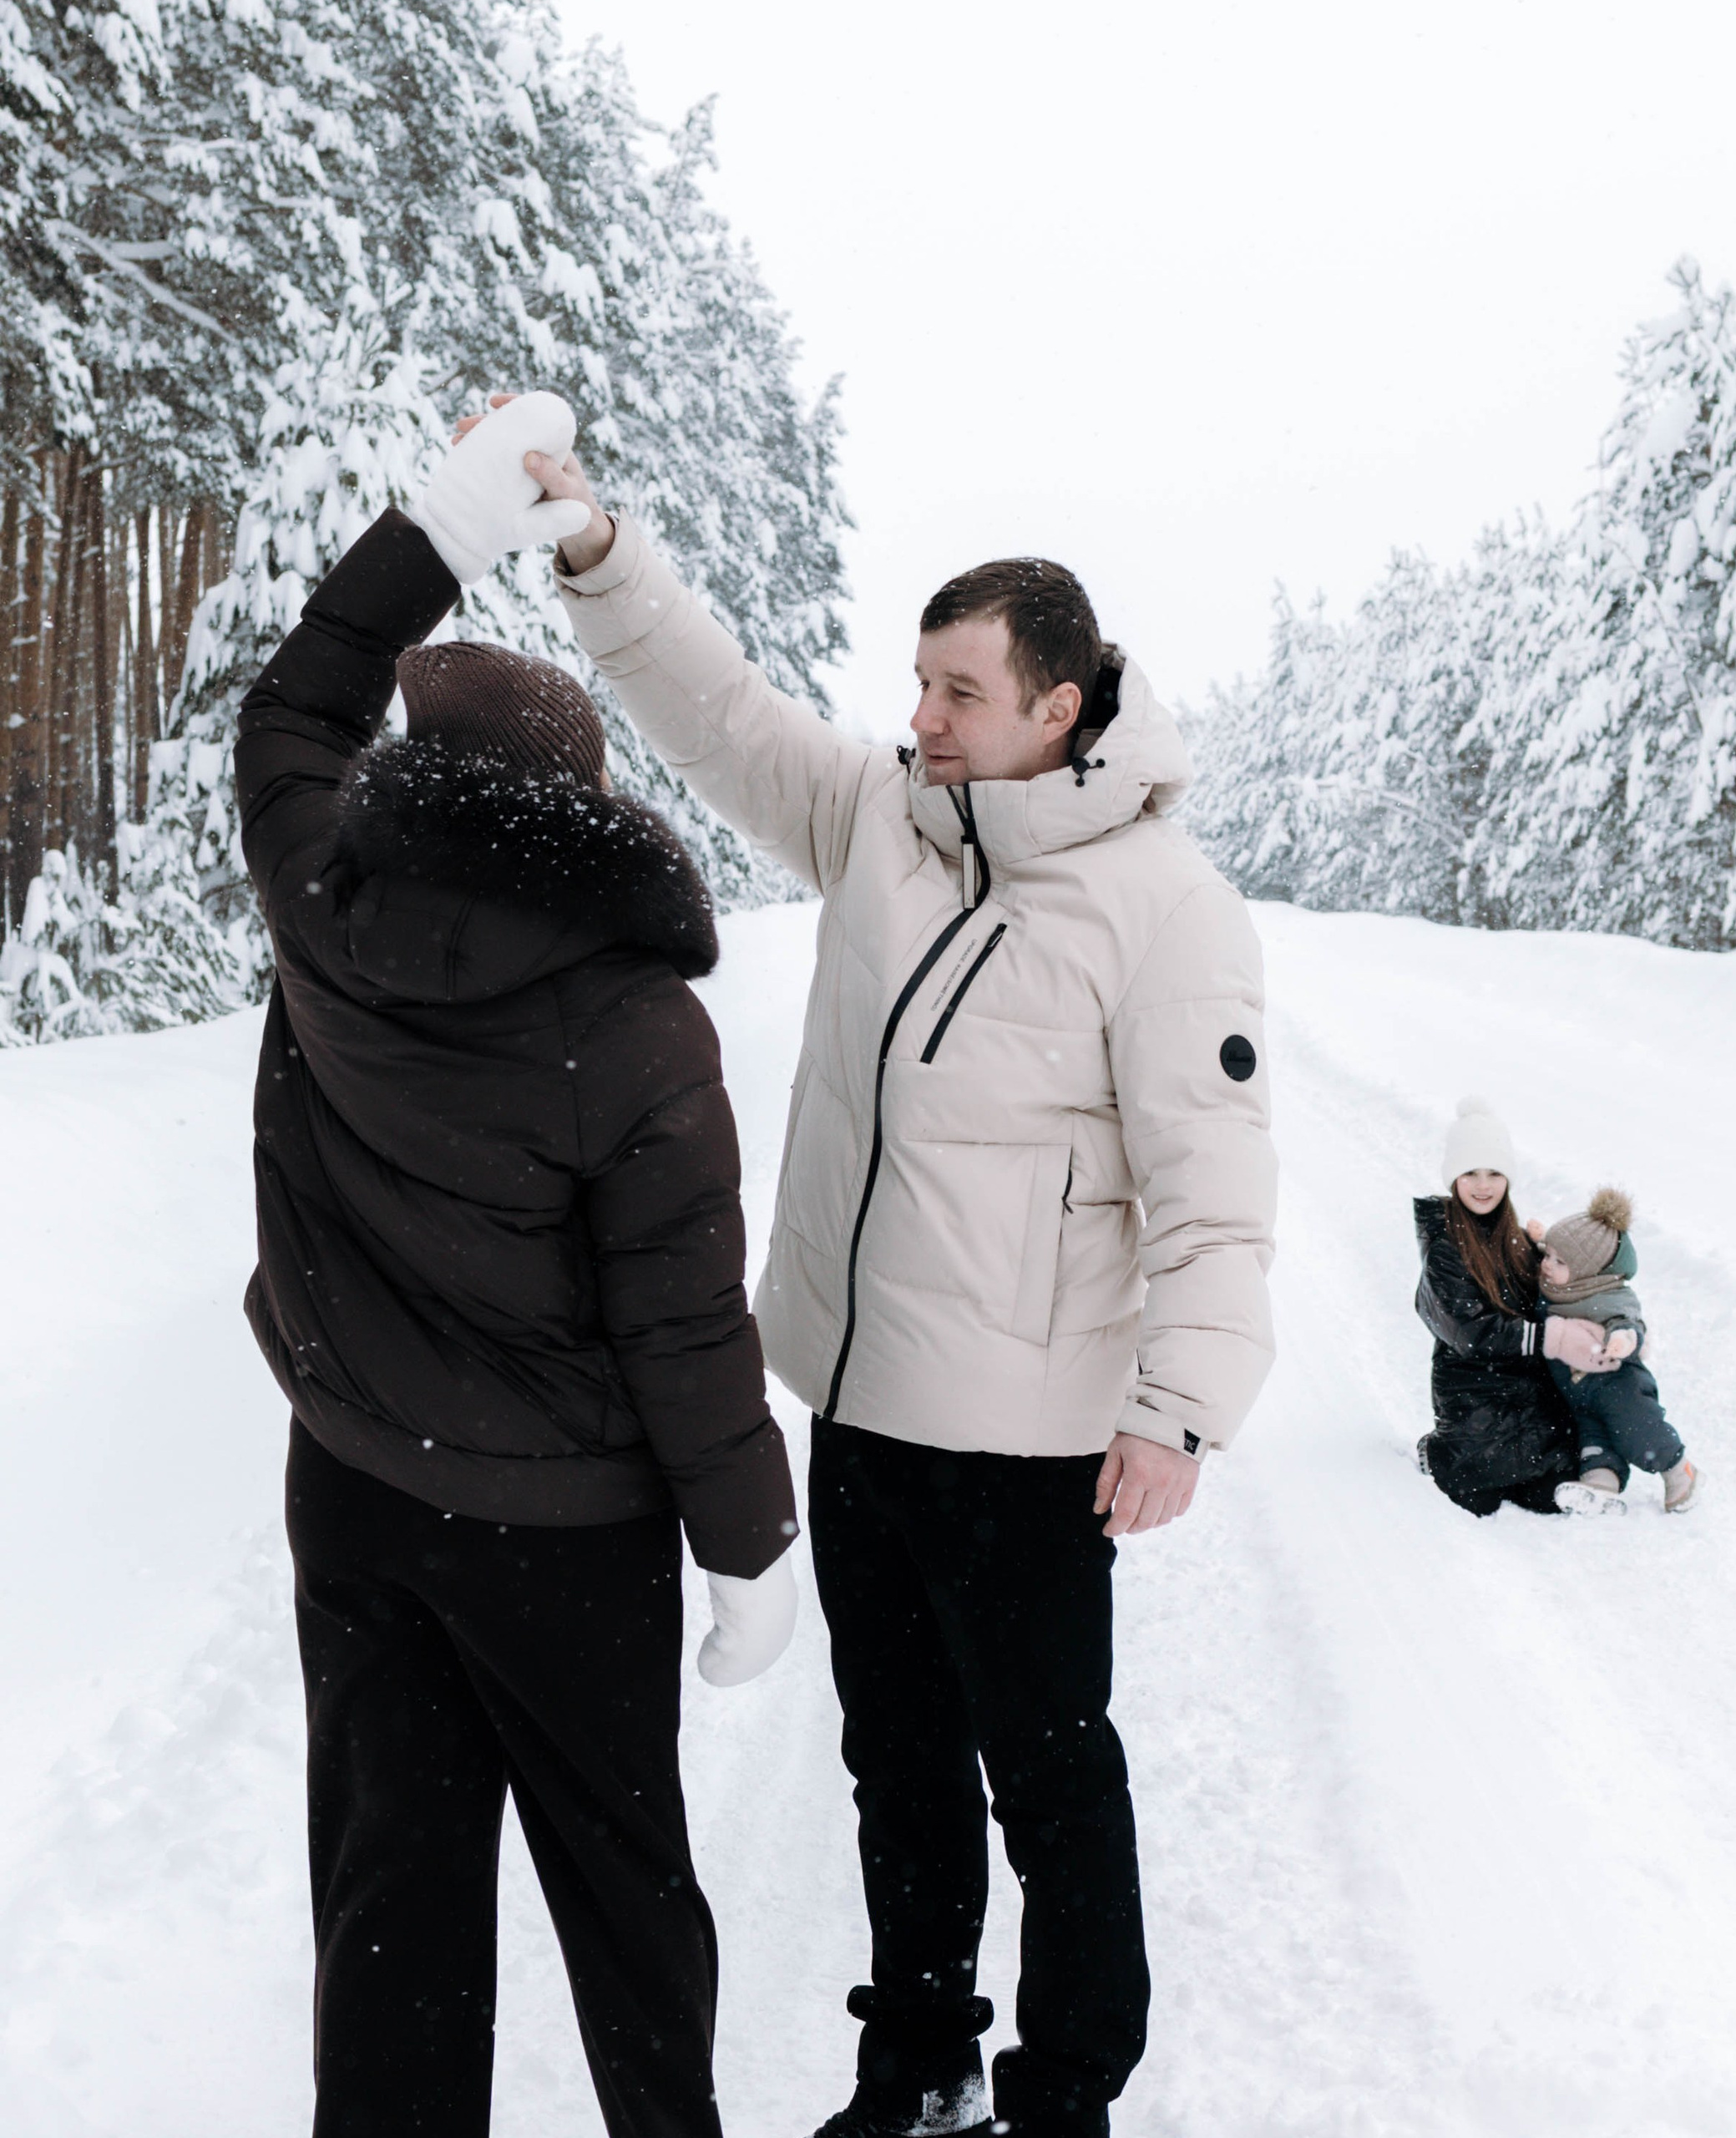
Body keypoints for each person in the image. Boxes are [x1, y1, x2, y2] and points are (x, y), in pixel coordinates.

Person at [473, 398, 1278, 2138]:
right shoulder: (880, 824)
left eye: (959, 692)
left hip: (1026, 1444)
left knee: (1049, 1782)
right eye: (918, 683)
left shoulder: (1165, 907)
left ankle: (1063, 2097)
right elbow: (719, 713)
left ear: (1060, 708)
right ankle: (915, 2069)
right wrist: (598, 552)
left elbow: (1216, 1189)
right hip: (855, 1411)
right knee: (896, 1768)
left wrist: (1179, 1407)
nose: (920, 718)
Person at [235, 393, 800, 2138]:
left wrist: (447, 520)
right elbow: (683, 1325)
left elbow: (299, 697)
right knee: (627, 1903)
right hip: (565, 1547)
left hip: (356, 1491)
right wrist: (747, 1546)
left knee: (390, 1906)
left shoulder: (320, 892)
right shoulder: (636, 1022)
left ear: (415, 780)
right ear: (579, 801)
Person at [1411, 1095, 1606, 1516]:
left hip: (1528, 1390)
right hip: (1474, 1390)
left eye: (1494, 1173)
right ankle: (1437, 1451)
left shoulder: (1516, 1238)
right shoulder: (1444, 1245)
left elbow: (1553, 1298)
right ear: (1454, 1178)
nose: (1483, 1186)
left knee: (1549, 1494)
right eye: (1471, 1173)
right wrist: (1553, 1338)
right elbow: (1471, 1332)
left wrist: (1554, 1261)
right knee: (1477, 1494)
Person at [1532, 1188, 1700, 1512]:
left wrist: (1624, 1339)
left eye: (1559, 1261)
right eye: (1547, 1256)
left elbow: (1627, 1321)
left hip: (1618, 1385)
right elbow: (1556, 1252)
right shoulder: (1559, 1286)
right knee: (1593, 1439)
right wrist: (1538, 1241)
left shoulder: (1607, 1297)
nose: (1548, 1265)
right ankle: (1600, 1486)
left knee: (1639, 1434)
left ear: (1588, 1272)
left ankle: (1680, 1472)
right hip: (1579, 1390)